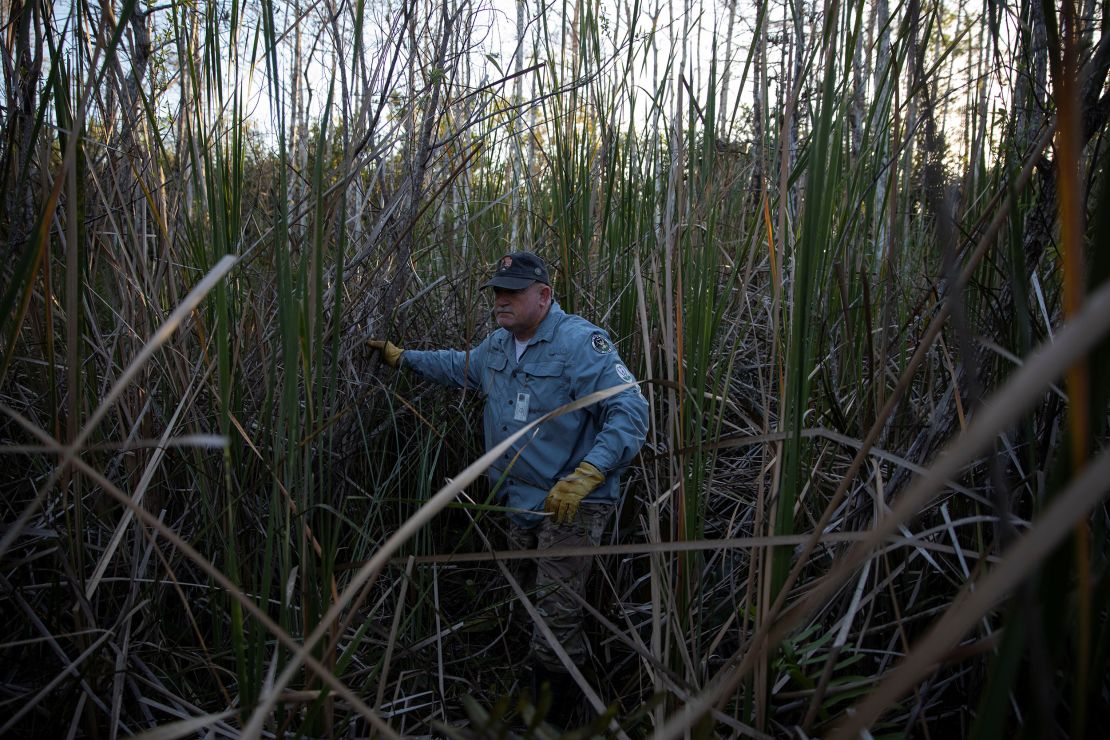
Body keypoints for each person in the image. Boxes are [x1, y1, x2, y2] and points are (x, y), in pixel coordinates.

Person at [368, 251, 648, 723]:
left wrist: (589, 473)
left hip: (569, 505)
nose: (501, 299)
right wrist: (403, 359)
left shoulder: (580, 343)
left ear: (543, 295)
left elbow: (631, 410)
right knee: (527, 609)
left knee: (555, 622)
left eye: (513, 291)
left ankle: (556, 724)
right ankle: (531, 705)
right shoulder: (499, 345)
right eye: (497, 290)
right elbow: (459, 366)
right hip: (516, 503)